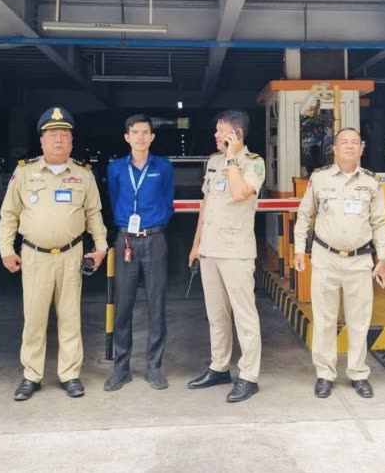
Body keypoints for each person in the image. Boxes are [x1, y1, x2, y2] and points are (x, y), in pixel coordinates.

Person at [0, 107, 108, 401]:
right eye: (53, 135)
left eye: (64, 135)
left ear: (71, 142)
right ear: (42, 141)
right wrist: (6, 250)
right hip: (35, 256)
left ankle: (69, 374)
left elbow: (93, 213)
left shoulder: (83, 174)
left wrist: (100, 247)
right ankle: (31, 375)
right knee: (34, 319)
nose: (59, 140)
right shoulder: (24, 172)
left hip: (71, 255)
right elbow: (9, 215)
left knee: (70, 317)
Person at [294, 128, 385, 399]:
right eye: (344, 142)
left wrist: (382, 258)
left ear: (362, 149)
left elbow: (379, 222)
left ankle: (358, 373)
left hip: (359, 260)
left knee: (359, 320)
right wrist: (299, 250)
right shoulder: (319, 178)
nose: (349, 146)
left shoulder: (371, 182)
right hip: (326, 258)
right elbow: (304, 215)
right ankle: (325, 374)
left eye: (355, 142)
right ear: (334, 149)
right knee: (324, 319)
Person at [187, 110, 265, 403]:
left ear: (237, 134)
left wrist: (233, 159)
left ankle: (249, 376)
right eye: (217, 130)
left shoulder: (254, 163)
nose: (216, 135)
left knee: (244, 316)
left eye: (221, 131)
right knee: (216, 315)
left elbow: (240, 193)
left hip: (236, 252)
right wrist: (196, 245)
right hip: (210, 249)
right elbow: (206, 204)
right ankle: (219, 367)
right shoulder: (214, 161)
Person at [104, 114, 175, 392]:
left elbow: (167, 201)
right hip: (126, 240)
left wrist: (155, 224)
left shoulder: (163, 167)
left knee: (156, 303)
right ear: (127, 137)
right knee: (123, 304)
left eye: (145, 132)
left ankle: (154, 366)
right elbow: (114, 198)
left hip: (155, 238)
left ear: (152, 137)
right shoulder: (115, 168)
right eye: (135, 132)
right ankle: (121, 368)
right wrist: (126, 228)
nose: (141, 137)